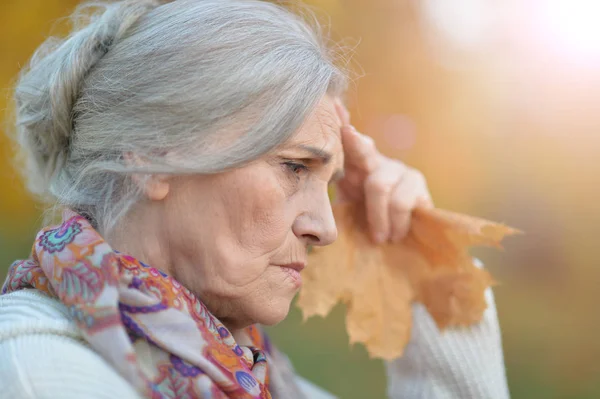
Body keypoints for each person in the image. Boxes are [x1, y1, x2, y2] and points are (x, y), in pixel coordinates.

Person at [0, 1, 510, 398]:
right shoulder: (40, 375)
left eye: (329, 184)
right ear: (153, 158)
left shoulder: (245, 375)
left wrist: (423, 259)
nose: (326, 229)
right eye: (294, 167)